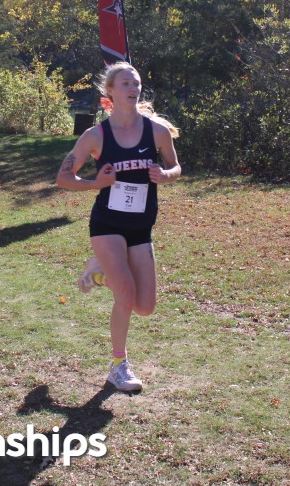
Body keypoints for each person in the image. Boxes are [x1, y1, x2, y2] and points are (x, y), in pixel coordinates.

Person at [56, 62, 181, 392]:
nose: (133, 88)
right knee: (125, 293)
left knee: (145, 306)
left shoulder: (157, 131)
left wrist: (165, 175)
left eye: (136, 83)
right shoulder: (95, 136)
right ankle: (118, 366)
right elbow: (63, 178)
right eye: (125, 83)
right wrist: (96, 183)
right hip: (107, 224)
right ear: (110, 91)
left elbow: (176, 167)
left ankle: (99, 274)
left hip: (141, 226)